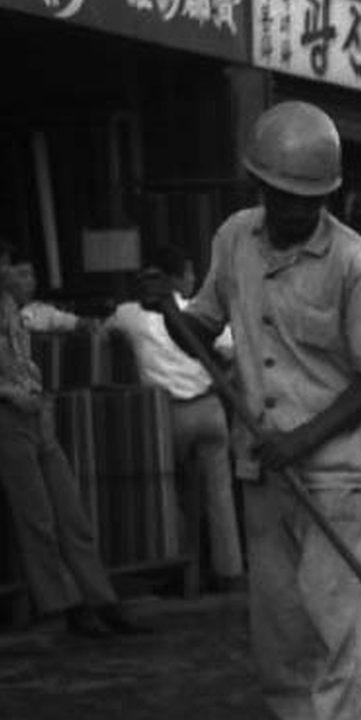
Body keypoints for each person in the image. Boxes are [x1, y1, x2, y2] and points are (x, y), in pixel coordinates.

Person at [142, 99, 361, 720]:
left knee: (342, 631)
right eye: (279, 198)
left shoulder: (356, 263)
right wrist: (168, 312)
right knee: (280, 635)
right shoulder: (234, 241)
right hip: (264, 469)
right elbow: (203, 328)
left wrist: (305, 438)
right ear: (259, 187)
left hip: (335, 474)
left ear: (328, 197)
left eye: (305, 201)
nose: (289, 212)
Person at [0, 232, 145, 638]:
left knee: (72, 513)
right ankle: (65, 605)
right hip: (0, 416)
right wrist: (5, 391)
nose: (8, 273)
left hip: (36, 411)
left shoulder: (10, 304)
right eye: (0, 265)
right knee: (38, 519)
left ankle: (103, 600)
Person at [108, 244, 244, 594]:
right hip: (210, 408)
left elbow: (100, 332)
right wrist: (219, 383)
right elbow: (234, 355)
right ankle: (228, 571)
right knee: (219, 494)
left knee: (170, 493)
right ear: (177, 277)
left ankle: (181, 571)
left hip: (165, 415)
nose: (194, 278)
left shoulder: (127, 314)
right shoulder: (202, 313)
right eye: (189, 273)